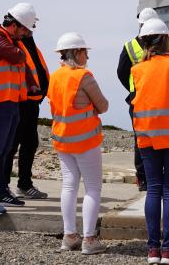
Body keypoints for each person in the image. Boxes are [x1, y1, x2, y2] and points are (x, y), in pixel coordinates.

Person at [129, 18, 169, 265]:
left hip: (147, 137)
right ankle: (167, 250)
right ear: (167, 40)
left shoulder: (137, 70)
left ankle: (152, 250)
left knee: (153, 190)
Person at [48, 32, 109, 255]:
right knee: (92, 188)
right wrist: (91, 110)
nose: (87, 57)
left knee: (69, 186)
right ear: (76, 52)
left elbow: (57, 109)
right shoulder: (84, 76)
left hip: (63, 140)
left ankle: (69, 236)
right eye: (85, 52)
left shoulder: (54, 77)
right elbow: (103, 105)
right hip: (86, 140)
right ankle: (89, 239)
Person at [0, 3, 38, 216]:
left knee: (4, 151)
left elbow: (21, 61)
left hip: (11, 102)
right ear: (15, 25)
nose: (26, 35)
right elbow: (16, 57)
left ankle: (1, 191)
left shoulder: (12, 39)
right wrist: (19, 50)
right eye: (25, 30)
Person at [117, 7, 161, 191]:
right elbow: (121, 73)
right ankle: (143, 177)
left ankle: (150, 177)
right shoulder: (130, 47)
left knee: (151, 138)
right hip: (142, 99)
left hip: (155, 97)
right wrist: (135, 89)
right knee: (142, 139)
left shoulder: (166, 44)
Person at [3, 32, 50, 200]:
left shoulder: (28, 42)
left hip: (31, 102)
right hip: (20, 101)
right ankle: (3, 187)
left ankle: (24, 185)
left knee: (30, 143)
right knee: (12, 145)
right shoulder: (14, 42)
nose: (32, 29)